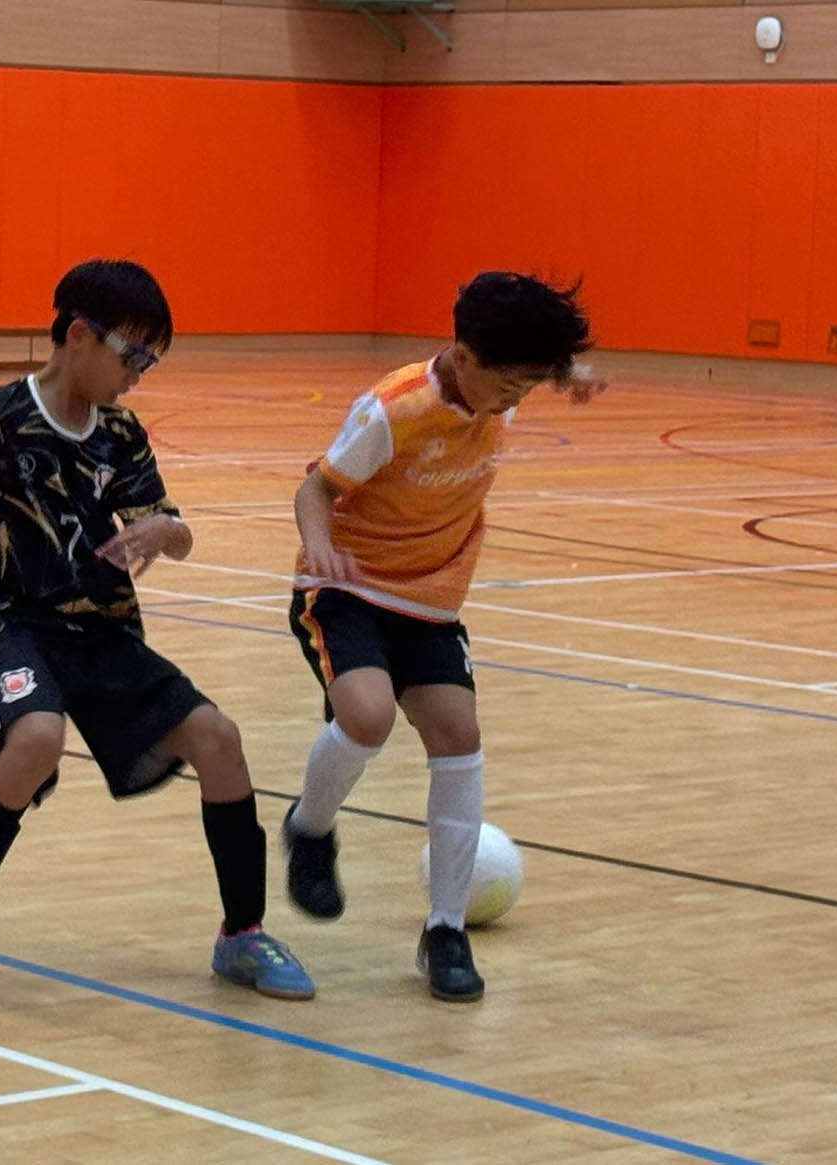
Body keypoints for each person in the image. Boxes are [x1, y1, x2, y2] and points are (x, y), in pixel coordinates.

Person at [0, 258, 315, 1005]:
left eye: (149, 362)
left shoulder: (122, 433)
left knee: (219, 739)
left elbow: (172, 528)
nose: (138, 375)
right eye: (132, 356)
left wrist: (167, 532)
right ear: (78, 336)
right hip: (10, 622)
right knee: (35, 740)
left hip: (104, 632)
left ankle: (242, 932)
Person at [282, 271, 598, 1002]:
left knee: (458, 734)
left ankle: (446, 930)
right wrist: (320, 547)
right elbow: (314, 489)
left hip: (431, 599)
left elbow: (531, 370)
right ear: (463, 356)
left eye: (530, 386)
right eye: (509, 385)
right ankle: (309, 828)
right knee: (367, 717)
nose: (515, 400)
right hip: (350, 589)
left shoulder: (498, 385)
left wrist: (567, 373)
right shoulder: (394, 410)